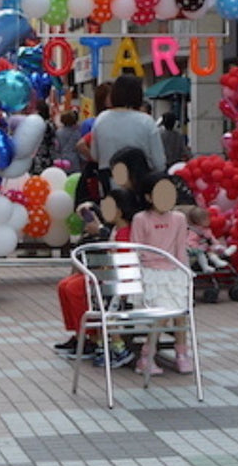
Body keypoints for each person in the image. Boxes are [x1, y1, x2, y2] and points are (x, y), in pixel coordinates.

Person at [53, 186, 141, 369]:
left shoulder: (124, 232)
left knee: (74, 288)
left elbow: (121, 262)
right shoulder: (116, 229)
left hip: (114, 281)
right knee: (65, 285)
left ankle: (95, 339)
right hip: (105, 276)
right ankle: (83, 336)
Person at [131, 173, 194, 375]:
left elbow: (180, 250)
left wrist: (184, 274)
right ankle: (146, 355)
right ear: (149, 197)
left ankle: (181, 353)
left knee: (181, 313)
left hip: (173, 272)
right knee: (164, 313)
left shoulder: (179, 218)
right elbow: (136, 250)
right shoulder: (141, 219)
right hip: (150, 274)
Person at [86, 75, 167, 173]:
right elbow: (159, 163)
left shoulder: (101, 119)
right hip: (140, 183)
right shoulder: (146, 121)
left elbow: (95, 155)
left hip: (107, 182)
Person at [185, 204, 235, 272]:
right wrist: (197, 247)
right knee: (203, 253)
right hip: (197, 249)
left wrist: (216, 244)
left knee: (213, 249)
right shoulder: (193, 231)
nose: (209, 220)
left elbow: (211, 238)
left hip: (206, 247)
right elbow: (190, 242)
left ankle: (223, 253)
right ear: (198, 221)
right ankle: (206, 266)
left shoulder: (206, 230)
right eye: (206, 219)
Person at [52, 110, 81, 174]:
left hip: (62, 161)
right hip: (74, 161)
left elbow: (57, 148)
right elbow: (79, 149)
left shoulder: (58, 132)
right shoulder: (77, 133)